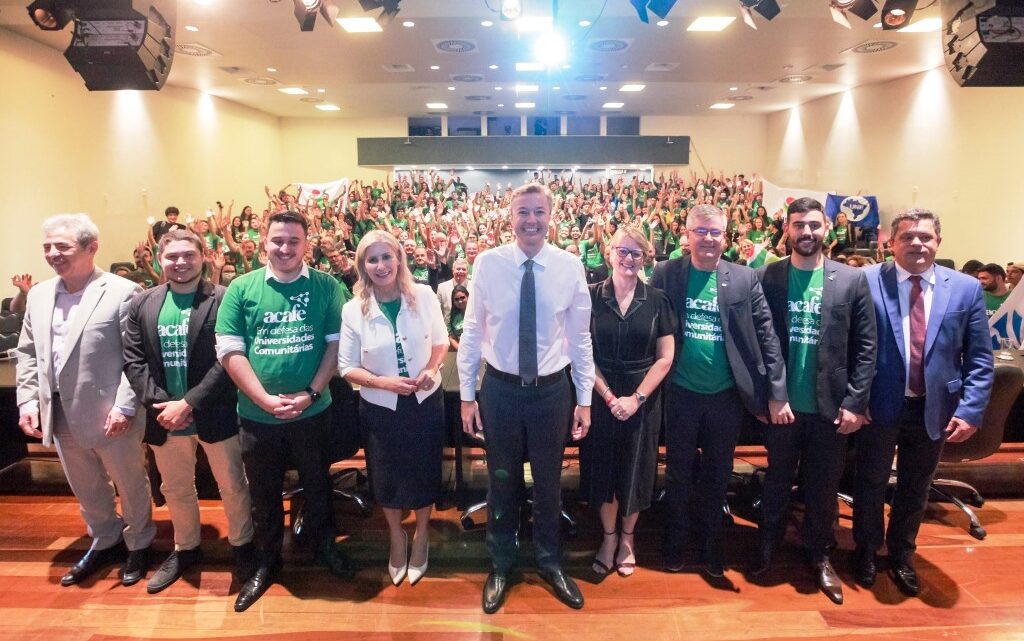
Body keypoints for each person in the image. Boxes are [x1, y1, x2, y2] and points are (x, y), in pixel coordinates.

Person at [458, 183, 595, 614]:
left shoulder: (570, 266)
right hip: (499, 391)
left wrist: (585, 398)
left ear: (550, 216)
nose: (531, 220)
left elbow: (580, 338)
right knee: (501, 483)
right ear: (510, 216)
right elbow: (473, 332)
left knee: (550, 486)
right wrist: (467, 395)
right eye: (523, 212)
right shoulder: (488, 264)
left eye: (538, 212)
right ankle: (500, 564)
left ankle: (551, 562)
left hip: (552, 393)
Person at [215, 210, 354, 612]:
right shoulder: (241, 288)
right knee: (263, 494)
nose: (285, 248)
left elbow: (335, 346)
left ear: (306, 244)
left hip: (313, 410)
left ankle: (325, 545)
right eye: (278, 240)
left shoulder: (327, 287)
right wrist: (262, 399)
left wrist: (311, 393)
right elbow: (229, 351)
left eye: (294, 241)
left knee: (318, 485)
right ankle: (267, 562)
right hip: (258, 415)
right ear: (264, 242)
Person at [852, 209, 993, 596]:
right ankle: (865, 549)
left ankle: (901, 554)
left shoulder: (965, 288)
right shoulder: (864, 281)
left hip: (935, 408)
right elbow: (850, 347)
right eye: (908, 236)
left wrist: (970, 409)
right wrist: (854, 397)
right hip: (877, 405)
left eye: (926, 237)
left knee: (916, 486)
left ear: (938, 243)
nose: (917, 243)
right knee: (870, 482)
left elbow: (980, 356)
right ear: (891, 243)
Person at [16, 213, 156, 587]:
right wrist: (28, 402)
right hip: (58, 410)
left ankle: (140, 541)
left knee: (129, 480)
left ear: (91, 247)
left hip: (110, 409)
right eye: (47, 247)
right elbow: (28, 351)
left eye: (62, 246)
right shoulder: (41, 294)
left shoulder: (122, 291)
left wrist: (126, 404)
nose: (53, 254)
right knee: (86, 485)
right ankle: (105, 537)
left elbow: (136, 355)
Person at [652, 205, 791, 577]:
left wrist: (776, 389)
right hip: (679, 393)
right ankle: (675, 542)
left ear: (725, 235)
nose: (708, 239)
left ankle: (712, 544)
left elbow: (767, 336)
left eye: (715, 232)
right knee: (678, 473)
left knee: (718, 473)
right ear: (687, 234)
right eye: (701, 231)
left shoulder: (745, 279)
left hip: (727, 397)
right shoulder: (666, 273)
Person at [753, 197, 877, 605]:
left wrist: (856, 402)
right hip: (783, 406)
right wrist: (772, 396)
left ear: (827, 228)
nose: (806, 233)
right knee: (775, 480)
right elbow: (761, 344)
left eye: (813, 225)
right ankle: (767, 543)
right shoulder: (769, 276)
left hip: (832, 408)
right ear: (786, 230)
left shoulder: (851, 280)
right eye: (798, 225)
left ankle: (820, 554)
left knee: (823, 488)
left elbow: (866, 347)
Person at [123, 229, 256, 594]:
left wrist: (190, 402)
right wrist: (162, 405)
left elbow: (228, 358)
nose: (180, 262)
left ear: (204, 257)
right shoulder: (142, 303)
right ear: (160, 260)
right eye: (172, 256)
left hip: (214, 411)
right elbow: (133, 360)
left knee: (232, 484)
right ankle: (186, 548)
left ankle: (243, 546)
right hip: (165, 417)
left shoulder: (225, 299)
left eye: (188, 255)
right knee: (175, 487)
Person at [338, 230, 447, 587]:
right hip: (381, 407)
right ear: (363, 266)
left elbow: (441, 342)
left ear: (399, 259)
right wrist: (385, 383)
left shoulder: (425, 295)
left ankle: (422, 534)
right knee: (386, 475)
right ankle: (396, 536)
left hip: (424, 402)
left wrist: (431, 371)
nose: (381, 265)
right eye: (373, 259)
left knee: (424, 470)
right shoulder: (353, 309)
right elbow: (346, 367)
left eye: (387, 257)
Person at [582, 227, 676, 579]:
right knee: (604, 471)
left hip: (643, 397)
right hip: (600, 393)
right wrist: (607, 396)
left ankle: (628, 540)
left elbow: (665, 358)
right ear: (609, 252)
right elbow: (580, 353)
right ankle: (608, 539)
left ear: (646, 258)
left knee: (636, 472)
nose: (629, 259)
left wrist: (636, 399)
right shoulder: (589, 297)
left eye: (637, 254)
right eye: (623, 251)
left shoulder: (657, 300)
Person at [436, 258, 470, 325]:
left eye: (463, 269)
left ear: (467, 272)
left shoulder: (473, 287)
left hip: (469, 329)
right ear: (453, 271)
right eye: (458, 269)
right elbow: (437, 312)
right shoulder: (442, 288)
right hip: (448, 331)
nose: (460, 271)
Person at [448, 284, 469, 350]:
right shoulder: (452, 317)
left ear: (468, 296)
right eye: (456, 299)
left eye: (462, 297)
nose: (460, 301)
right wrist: (461, 350)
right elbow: (451, 338)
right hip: (462, 352)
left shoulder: (476, 312)